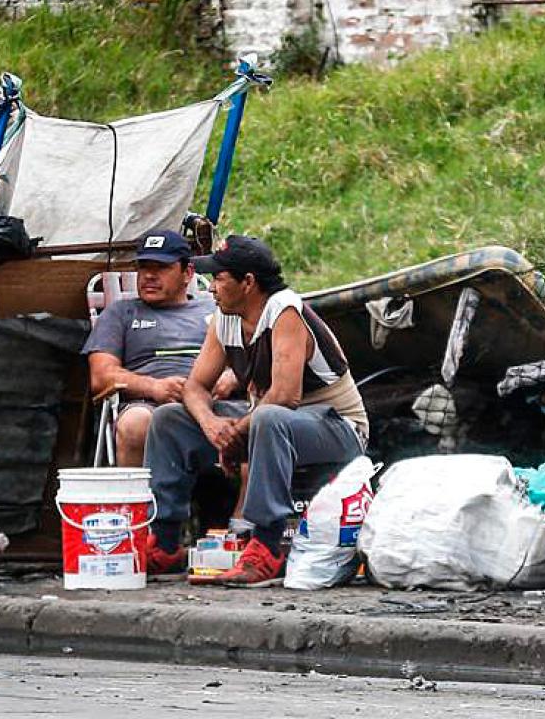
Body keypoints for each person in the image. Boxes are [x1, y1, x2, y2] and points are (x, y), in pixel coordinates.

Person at [144, 235, 369, 586]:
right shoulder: (225, 317)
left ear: (248, 282)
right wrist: (212, 425)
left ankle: (267, 545)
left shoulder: (285, 312)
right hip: (270, 424)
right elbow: (195, 387)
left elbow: (284, 396)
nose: (212, 287)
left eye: (219, 278)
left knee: (268, 416)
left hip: (338, 428)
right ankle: (166, 539)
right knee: (168, 418)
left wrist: (236, 430)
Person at [82, 230, 218, 468]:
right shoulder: (120, 313)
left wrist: (228, 378)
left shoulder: (214, 309)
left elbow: (248, 358)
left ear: (188, 273)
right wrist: (154, 387)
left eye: (161, 267)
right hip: (148, 404)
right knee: (135, 424)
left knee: (259, 418)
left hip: (213, 399)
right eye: (144, 267)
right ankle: (139, 503)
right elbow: (101, 376)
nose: (149, 276)